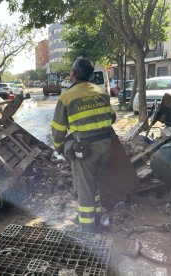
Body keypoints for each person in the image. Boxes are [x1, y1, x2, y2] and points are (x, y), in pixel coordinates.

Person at [51, 57, 116, 232]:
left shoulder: (67, 97)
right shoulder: (101, 92)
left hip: (85, 151)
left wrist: (59, 147)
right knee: (95, 183)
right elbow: (112, 118)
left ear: (73, 73)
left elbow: (58, 129)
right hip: (106, 145)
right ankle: (96, 215)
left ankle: (88, 228)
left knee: (85, 188)